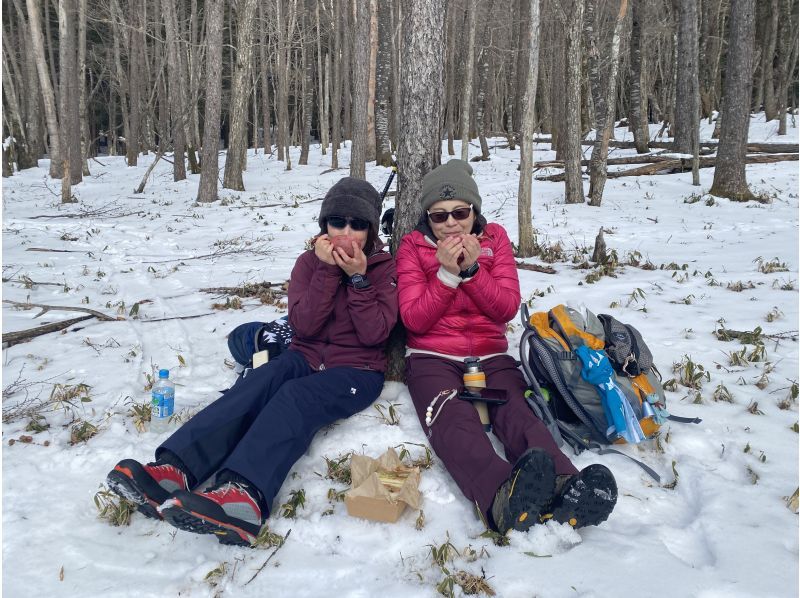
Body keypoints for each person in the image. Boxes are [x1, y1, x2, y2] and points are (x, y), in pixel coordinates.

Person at [106, 177, 398, 546]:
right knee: (258, 382)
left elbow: (375, 335)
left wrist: (358, 280)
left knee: (295, 398)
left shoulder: (384, 269)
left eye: (358, 225)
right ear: (324, 226)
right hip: (304, 355)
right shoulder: (309, 264)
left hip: (355, 372)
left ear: (371, 231)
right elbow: (304, 325)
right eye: (337, 222)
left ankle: (244, 496)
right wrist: (326, 272)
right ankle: (177, 469)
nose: (346, 232)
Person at [396, 160, 617, 534]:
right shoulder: (412, 247)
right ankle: (498, 496)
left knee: (518, 412)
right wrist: (447, 275)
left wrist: (472, 272)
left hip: (491, 351)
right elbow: (414, 318)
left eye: (460, 213)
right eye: (439, 216)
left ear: (474, 212)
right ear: (428, 219)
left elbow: (505, 306)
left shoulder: (494, 240)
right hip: (432, 354)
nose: (450, 223)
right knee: (452, 419)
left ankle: (565, 484)